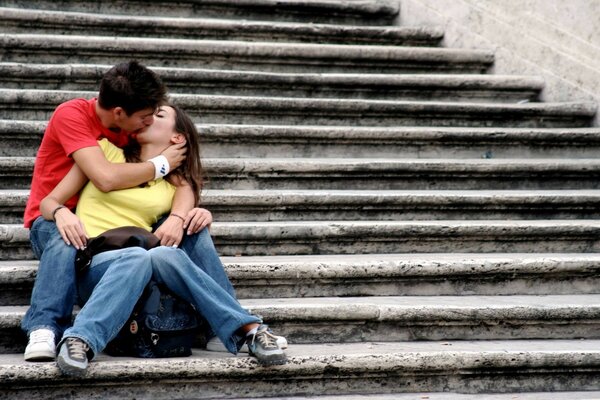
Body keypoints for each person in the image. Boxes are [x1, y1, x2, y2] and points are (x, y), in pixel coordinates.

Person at [39, 104, 288, 376]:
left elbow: (187, 193)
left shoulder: (175, 185)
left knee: (162, 254)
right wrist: (61, 212)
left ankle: (250, 332)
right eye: (146, 114)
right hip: (96, 264)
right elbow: (48, 201)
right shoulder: (106, 153)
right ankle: (81, 339)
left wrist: (187, 216)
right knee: (138, 256)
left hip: (142, 265)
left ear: (177, 138)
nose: (147, 118)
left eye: (158, 116)